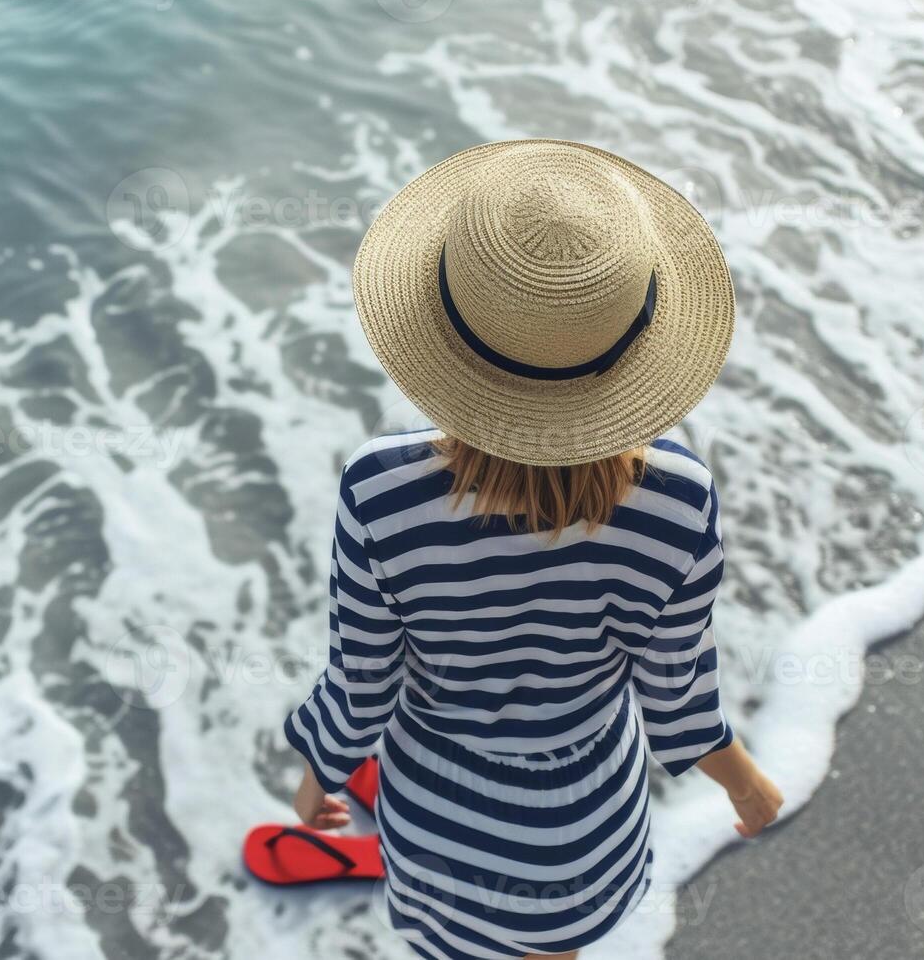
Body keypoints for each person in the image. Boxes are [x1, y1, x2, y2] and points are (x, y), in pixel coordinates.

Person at [281, 140, 783, 960]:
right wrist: (747, 784)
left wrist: (319, 775)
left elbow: (362, 680)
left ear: (441, 329)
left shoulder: (380, 490)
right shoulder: (678, 498)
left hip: (442, 821)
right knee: (553, 950)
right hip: (585, 828)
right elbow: (676, 699)